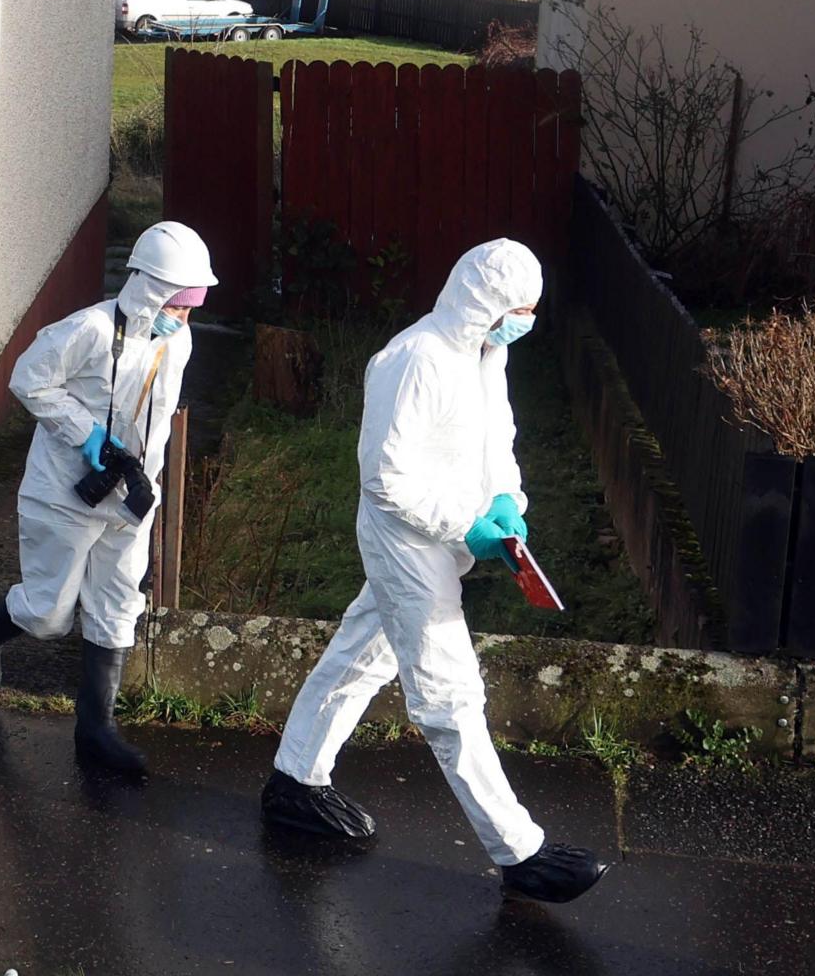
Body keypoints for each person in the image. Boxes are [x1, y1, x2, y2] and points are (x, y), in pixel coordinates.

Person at [260, 236, 607, 905]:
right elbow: (384, 478)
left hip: (445, 537)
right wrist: (466, 524)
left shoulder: (485, 352)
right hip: (405, 544)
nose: (525, 322)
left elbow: (496, 439)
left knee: (362, 653)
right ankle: (519, 852)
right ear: (489, 302)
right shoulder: (412, 359)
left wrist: (507, 500)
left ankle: (295, 781)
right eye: (521, 309)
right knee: (450, 696)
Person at [0, 220, 212, 778]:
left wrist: (143, 481)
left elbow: (156, 422)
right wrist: (87, 435)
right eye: (180, 303)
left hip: (128, 500)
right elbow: (28, 379)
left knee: (119, 602)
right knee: (52, 613)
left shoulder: (179, 342)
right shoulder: (91, 330)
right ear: (151, 289)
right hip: (63, 492)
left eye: (193, 306)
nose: (185, 316)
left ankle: (95, 729)